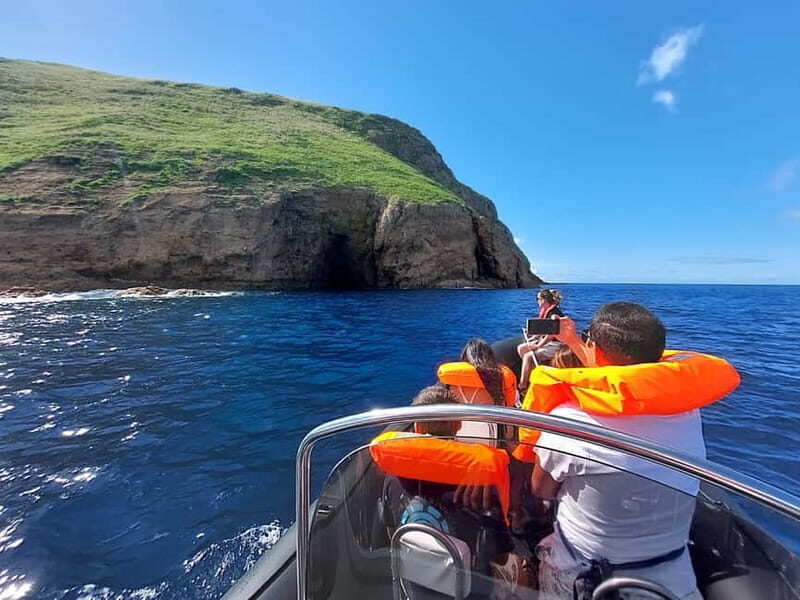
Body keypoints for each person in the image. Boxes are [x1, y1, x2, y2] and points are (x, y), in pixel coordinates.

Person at [531, 302, 705, 599]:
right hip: (674, 582)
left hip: (585, 579)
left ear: (595, 349)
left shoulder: (570, 421)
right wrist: (574, 340)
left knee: (538, 550)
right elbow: (621, 383)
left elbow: (541, 489)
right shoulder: (689, 413)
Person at [517, 289, 566, 394]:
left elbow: (551, 334)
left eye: (538, 299)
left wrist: (538, 345)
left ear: (543, 300)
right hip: (549, 343)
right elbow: (542, 330)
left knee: (528, 356)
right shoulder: (546, 312)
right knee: (522, 348)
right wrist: (533, 337)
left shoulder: (553, 314)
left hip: (556, 345)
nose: (537, 301)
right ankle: (534, 374)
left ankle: (523, 386)